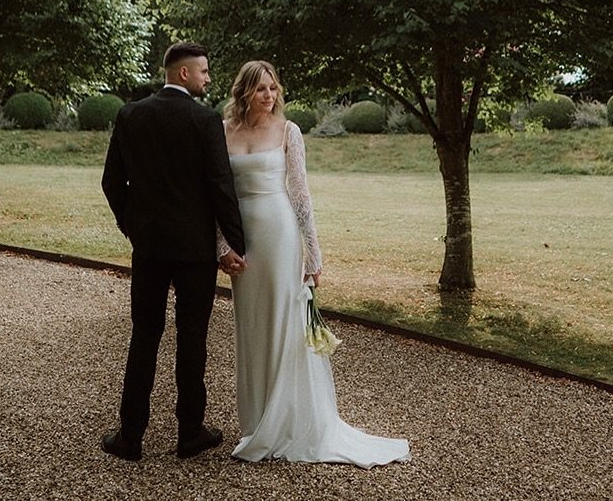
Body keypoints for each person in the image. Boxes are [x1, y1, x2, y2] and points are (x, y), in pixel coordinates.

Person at [217, 59, 410, 467]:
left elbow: (301, 196)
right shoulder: (223, 131)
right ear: (244, 92)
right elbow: (216, 196)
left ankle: (289, 422)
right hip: (241, 237)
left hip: (280, 234)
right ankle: (257, 421)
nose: (269, 96)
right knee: (252, 325)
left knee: (285, 323)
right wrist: (221, 246)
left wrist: (314, 253)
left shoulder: (289, 132)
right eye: (260, 89)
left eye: (273, 88)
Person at [101, 41, 246, 462]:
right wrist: (235, 244)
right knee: (193, 337)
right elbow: (222, 188)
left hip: (148, 249)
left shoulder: (131, 114)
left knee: (144, 335)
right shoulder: (204, 121)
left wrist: (134, 228)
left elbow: (113, 182)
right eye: (203, 71)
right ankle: (190, 433)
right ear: (183, 73)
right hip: (195, 251)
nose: (207, 78)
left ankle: (130, 437)